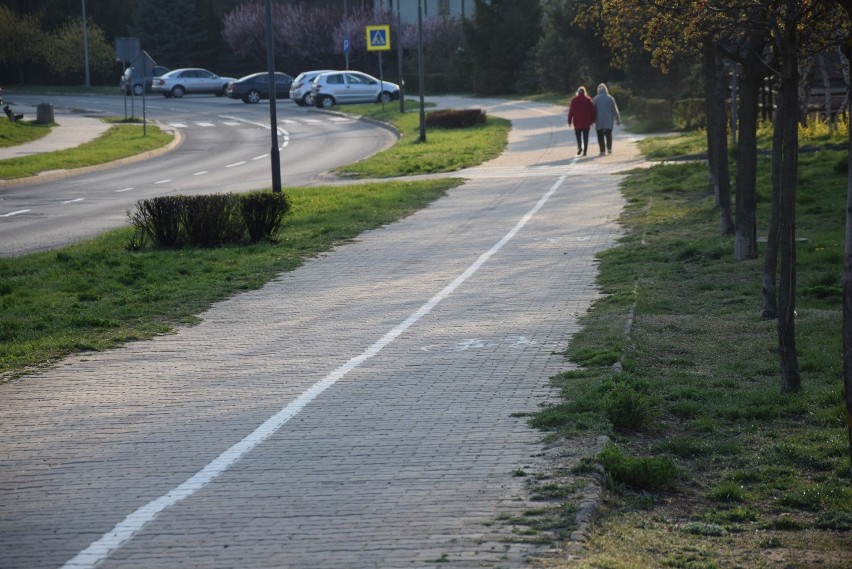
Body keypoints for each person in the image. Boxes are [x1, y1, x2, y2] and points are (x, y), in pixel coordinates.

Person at [593, 83, 621, 155]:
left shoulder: (595, 99)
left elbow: (592, 110)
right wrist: (618, 119)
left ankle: (602, 151)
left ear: (598, 90)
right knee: (609, 134)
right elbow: (615, 109)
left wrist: (592, 120)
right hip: (609, 120)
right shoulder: (610, 98)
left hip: (599, 120)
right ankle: (609, 149)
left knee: (600, 135)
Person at [567, 86, 595, 156]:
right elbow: (592, 111)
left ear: (578, 92)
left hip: (577, 121)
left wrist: (569, 121)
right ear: (584, 92)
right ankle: (585, 151)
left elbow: (571, 111)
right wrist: (592, 120)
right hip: (586, 121)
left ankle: (579, 147)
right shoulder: (588, 100)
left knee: (578, 135)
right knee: (586, 137)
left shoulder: (574, 100)